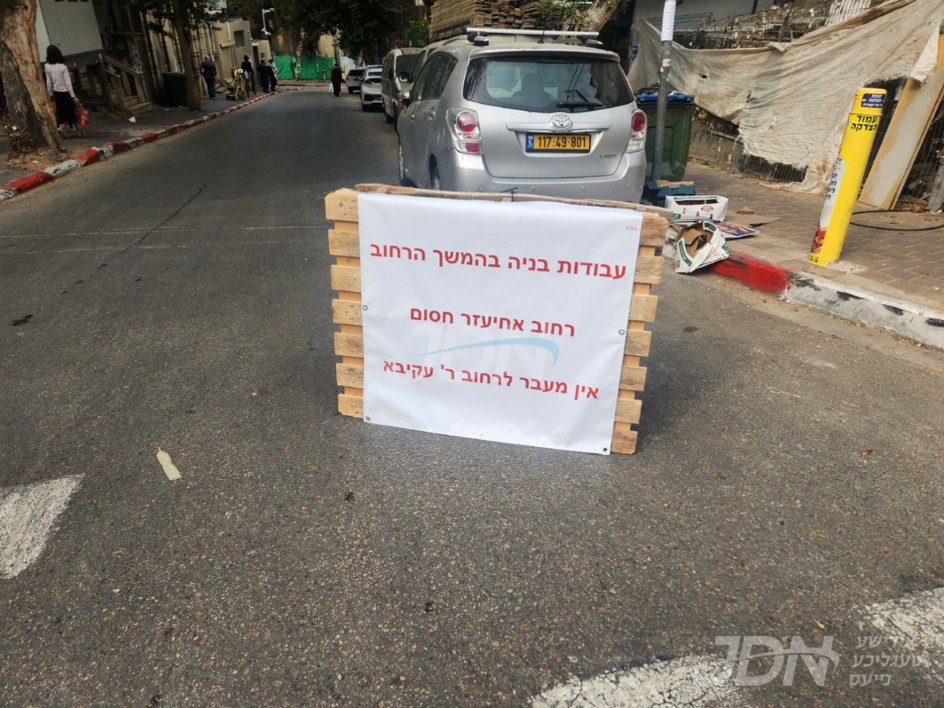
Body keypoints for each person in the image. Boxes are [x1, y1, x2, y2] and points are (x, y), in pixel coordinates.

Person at [44, 45, 81, 137]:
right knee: (70, 111)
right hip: (65, 92)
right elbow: (68, 83)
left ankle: (75, 129)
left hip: (56, 92)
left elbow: (49, 82)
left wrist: (50, 94)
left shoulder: (47, 66)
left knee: (61, 111)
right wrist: (73, 96)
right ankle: (65, 128)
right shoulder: (62, 67)